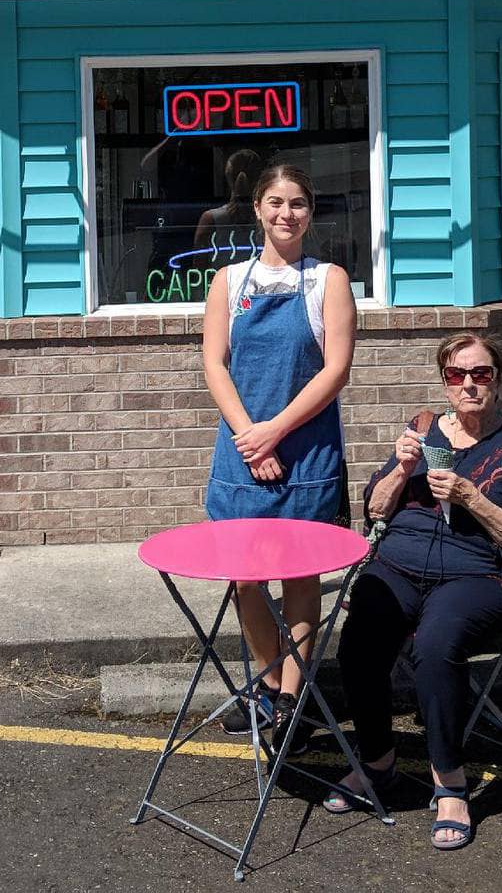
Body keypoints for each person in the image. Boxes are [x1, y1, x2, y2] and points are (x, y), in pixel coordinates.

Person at [326, 333, 502, 850]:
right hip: (400, 562)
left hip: (476, 573)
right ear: (445, 382)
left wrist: (471, 497)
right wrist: (403, 467)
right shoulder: (424, 429)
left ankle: (450, 782)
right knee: (360, 639)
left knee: (436, 646)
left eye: (481, 374)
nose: (470, 385)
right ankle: (378, 764)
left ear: (497, 380)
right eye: (458, 376)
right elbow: (378, 510)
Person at [199, 162, 356, 740]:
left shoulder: (328, 280)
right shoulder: (229, 282)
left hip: (307, 453)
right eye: (275, 202)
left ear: (309, 214)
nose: (286, 213)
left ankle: (293, 697)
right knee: (244, 579)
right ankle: (267, 687)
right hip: (240, 453)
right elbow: (215, 364)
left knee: (300, 578)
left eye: (297, 204)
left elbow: (335, 370)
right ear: (258, 209)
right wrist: (250, 436)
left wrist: (276, 432)